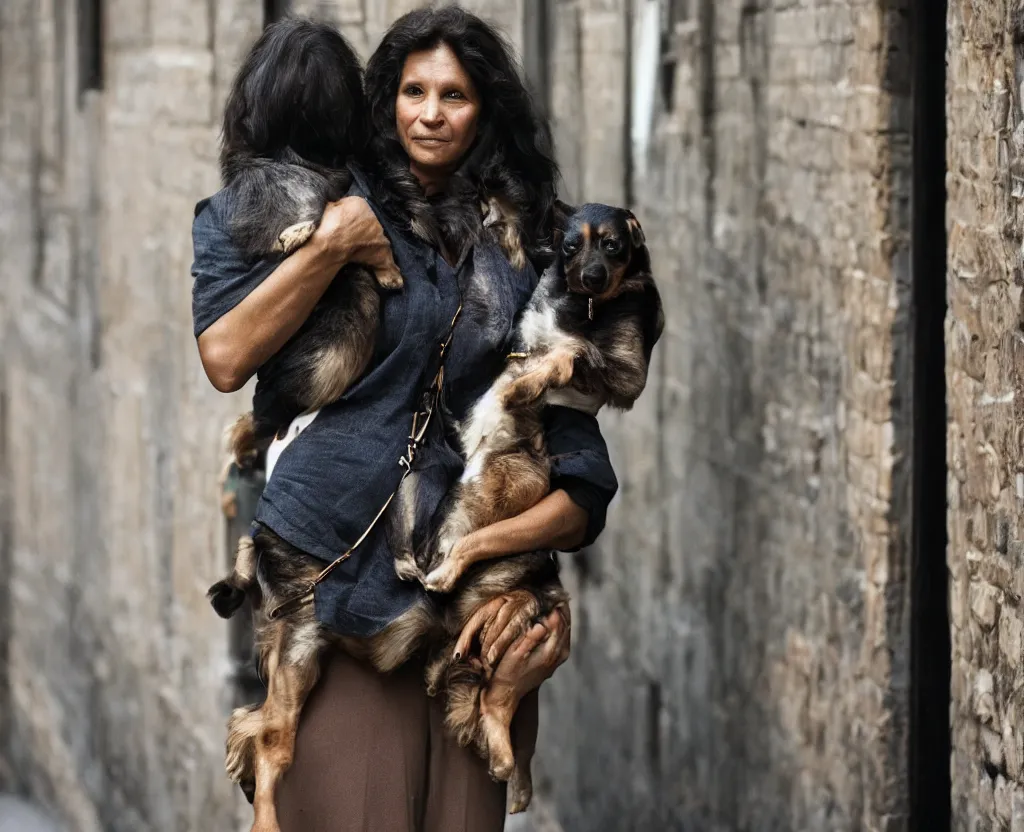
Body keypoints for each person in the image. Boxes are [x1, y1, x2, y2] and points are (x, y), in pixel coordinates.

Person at [190, 8, 618, 831]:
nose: (430, 112)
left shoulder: (535, 249)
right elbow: (224, 357)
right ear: (385, 102)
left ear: (486, 111)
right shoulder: (327, 213)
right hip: (331, 582)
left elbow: (582, 474)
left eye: (454, 95)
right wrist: (334, 244)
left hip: (467, 617)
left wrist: (497, 556)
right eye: (413, 91)